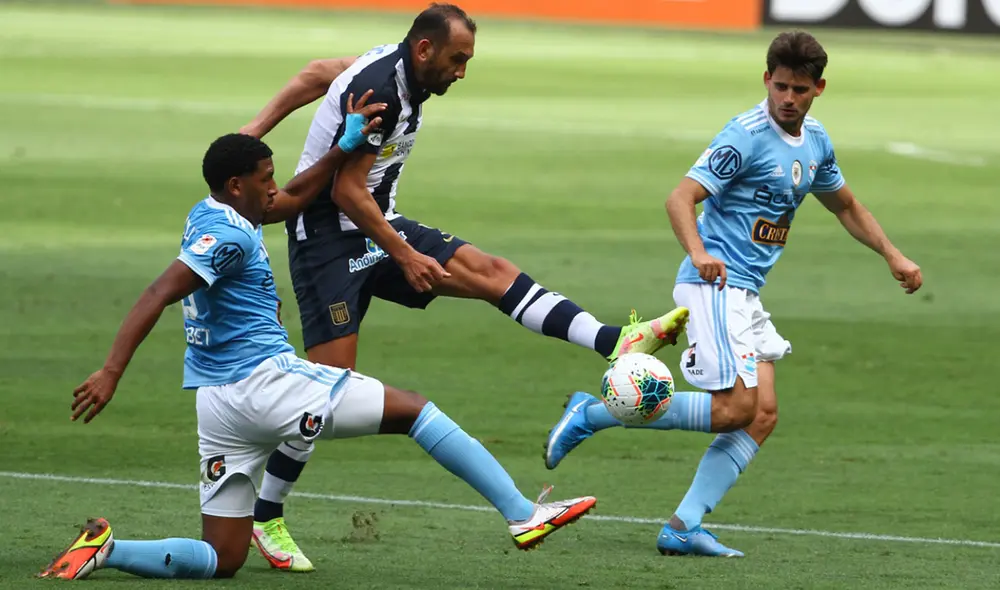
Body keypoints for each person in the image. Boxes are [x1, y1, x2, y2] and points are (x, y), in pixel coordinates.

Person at [38, 97, 596, 581]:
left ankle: (107, 551)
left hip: (217, 405)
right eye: (265, 179)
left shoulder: (210, 212)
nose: (274, 188)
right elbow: (159, 290)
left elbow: (293, 199)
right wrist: (111, 371)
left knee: (222, 557)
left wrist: (339, 148)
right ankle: (523, 513)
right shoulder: (230, 233)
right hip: (264, 384)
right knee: (415, 412)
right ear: (238, 186)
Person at [239, 2, 688, 571]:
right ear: (425, 49)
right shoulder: (384, 93)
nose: (463, 71)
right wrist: (405, 255)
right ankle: (266, 513)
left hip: (377, 223)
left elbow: (316, 73)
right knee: (326, 397)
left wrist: (250, 132)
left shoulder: (393, 68)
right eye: (457, 59)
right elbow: (347, 193)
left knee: (490, 272)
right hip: (326, 242)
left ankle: (613, 341)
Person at [542, 30, 923, 557]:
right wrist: (699, 252)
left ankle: (683, 525)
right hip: (712, 284)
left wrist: (893, 255)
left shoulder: (816, 142)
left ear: (819, 89)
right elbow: (681, 198)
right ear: (766, 79)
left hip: (745, 294)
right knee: (733, 411)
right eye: (781, 86)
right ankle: (593, 413)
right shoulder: (743, 134)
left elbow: (847, 206)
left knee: (762, 415)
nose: (789, 98)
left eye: (801, 90)